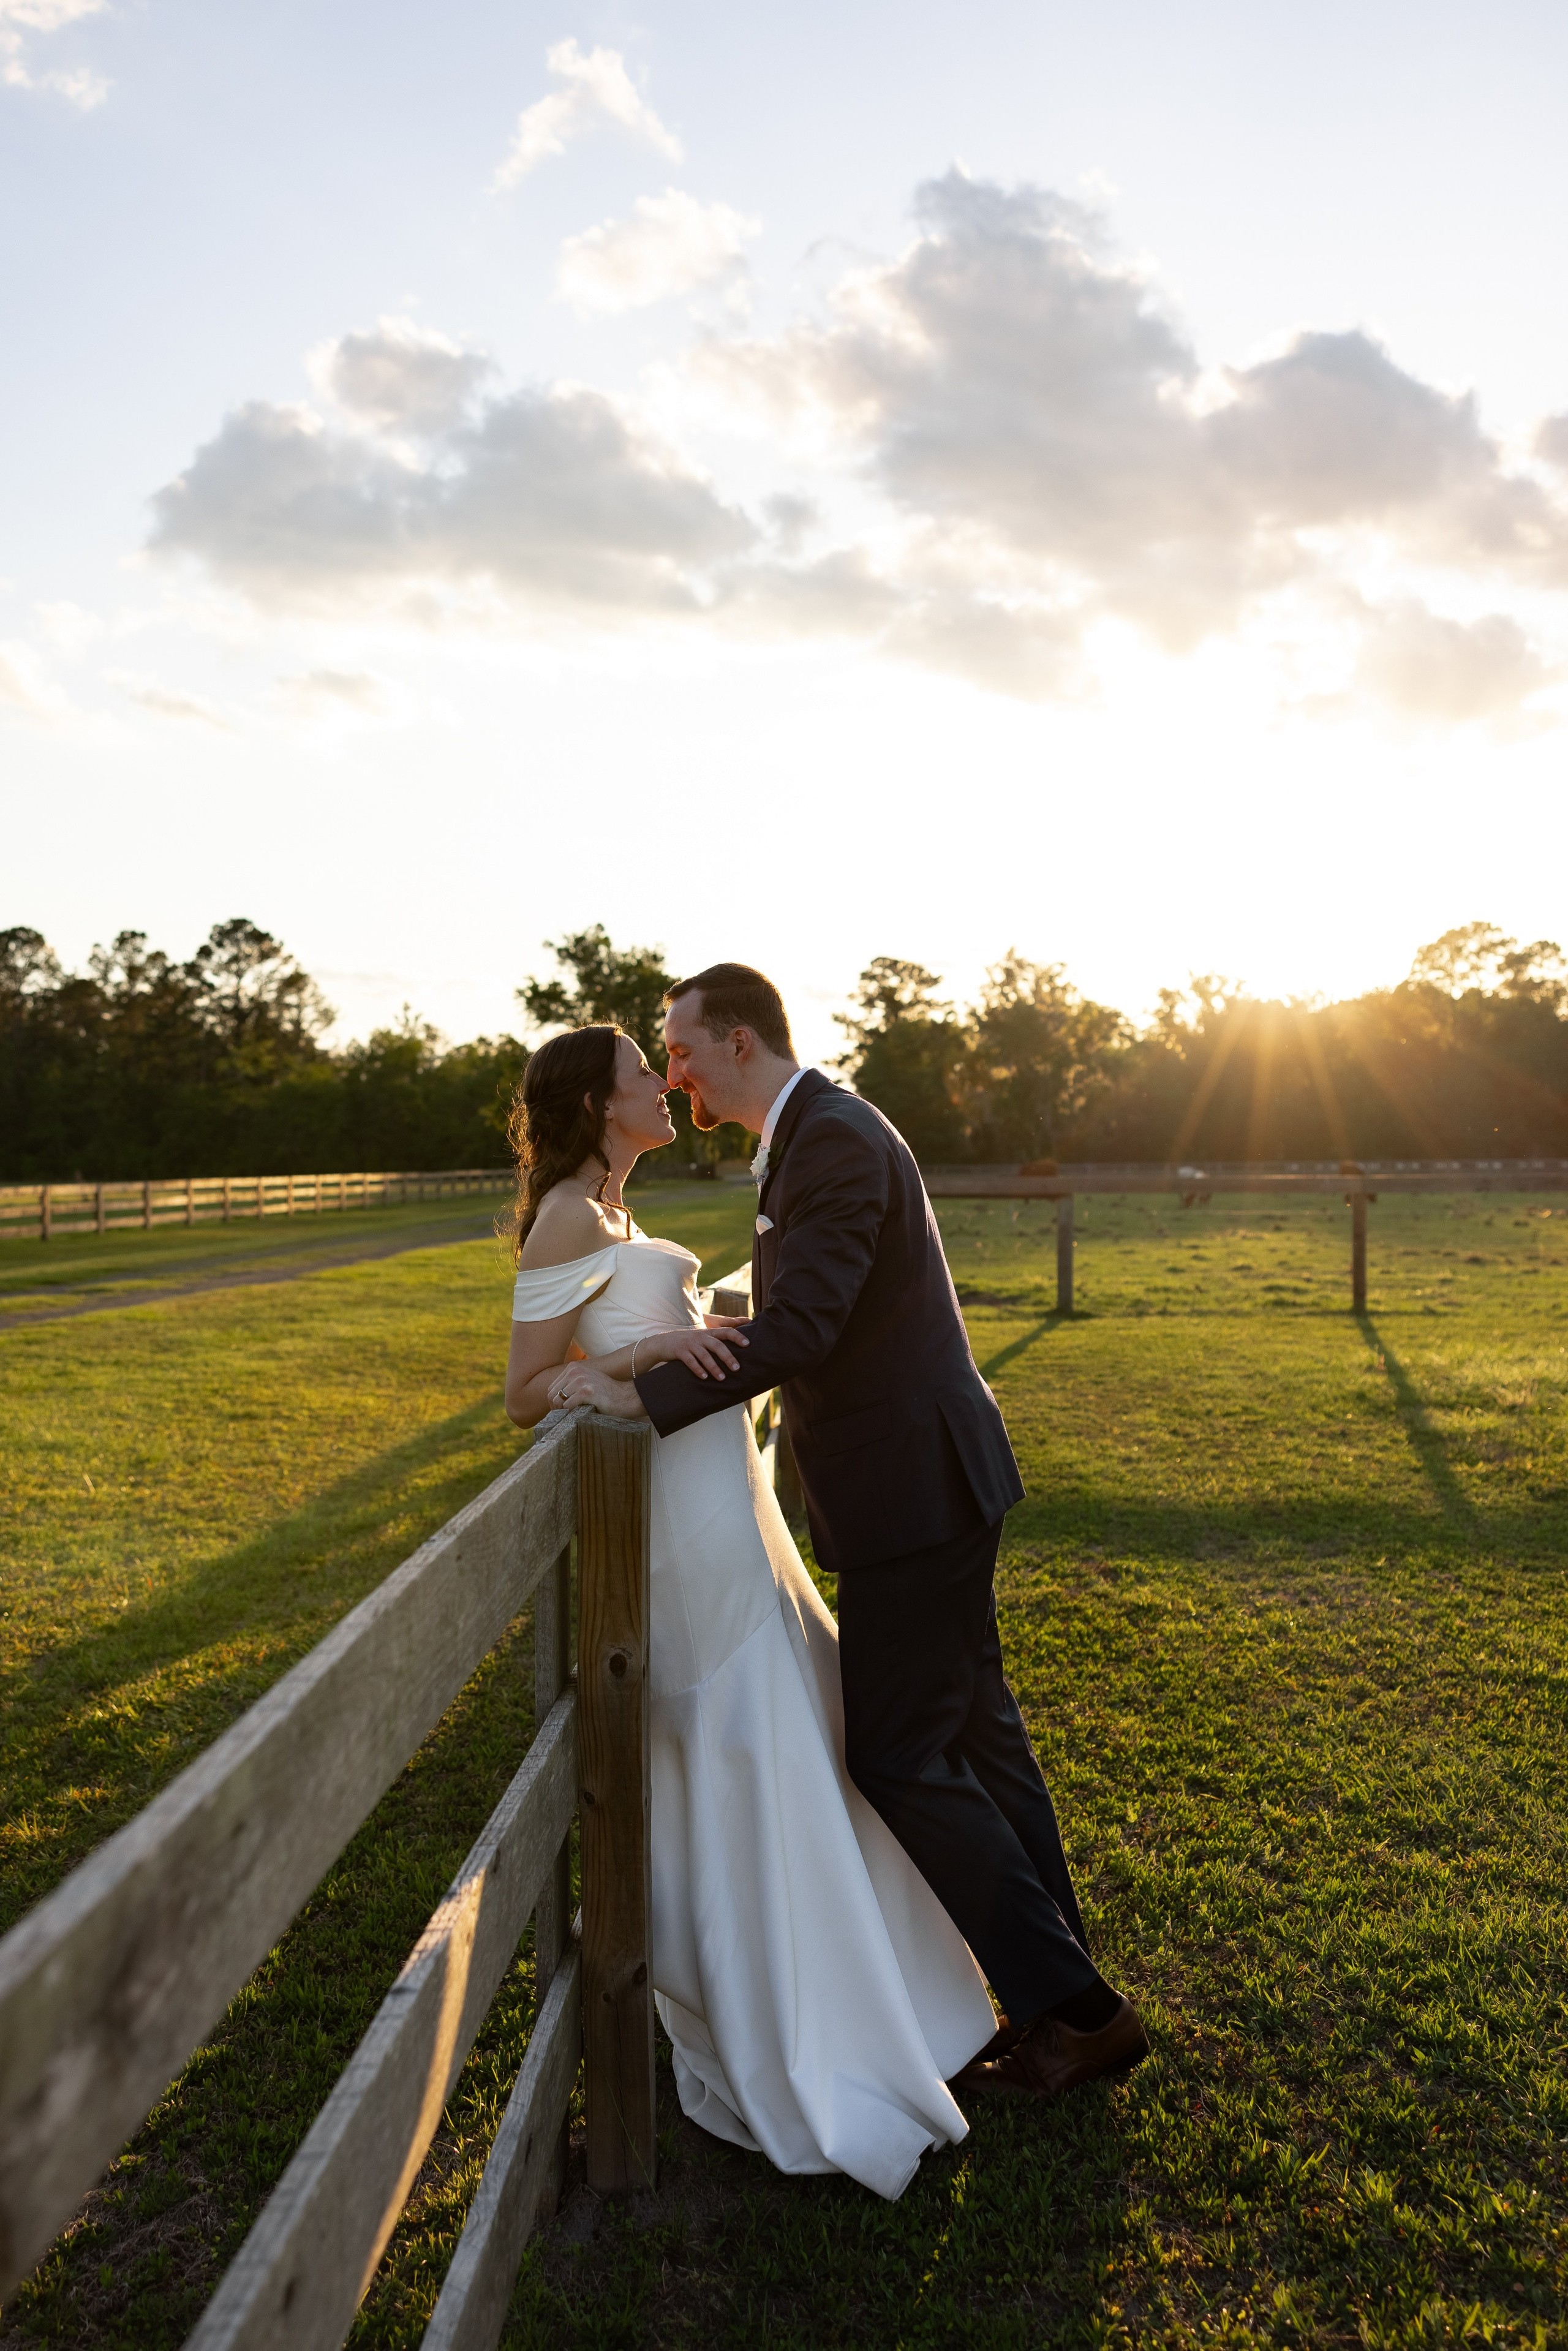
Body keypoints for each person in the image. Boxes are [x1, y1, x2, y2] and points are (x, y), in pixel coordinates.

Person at [555, 964, 1149, 2104]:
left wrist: (647, 1393)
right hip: (928, 1479)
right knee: (978, 1741)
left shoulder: (827, 1138)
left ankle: (1076, 2009)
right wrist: (690, 1331)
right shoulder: (812, 1130)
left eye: (680, 1050)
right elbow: (801, 1301)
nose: (672, 1074)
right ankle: (1062, 1996)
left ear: (737, 1041)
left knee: (895, 1753)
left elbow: (807, 1325)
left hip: (910, 1490)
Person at [504, 1021, 997, 2200]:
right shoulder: (568, 1217)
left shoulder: (618, 1217)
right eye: (643, 1069)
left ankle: (883, 2004)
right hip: (680, 1527)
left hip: (733, 1506)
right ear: (594, 1101)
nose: (664, 1081)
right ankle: (798, 2033)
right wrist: (645, 1357)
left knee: (813, 1721)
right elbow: (526, 1391)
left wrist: (701, 1338)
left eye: (668, 1059)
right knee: (752, 1736)